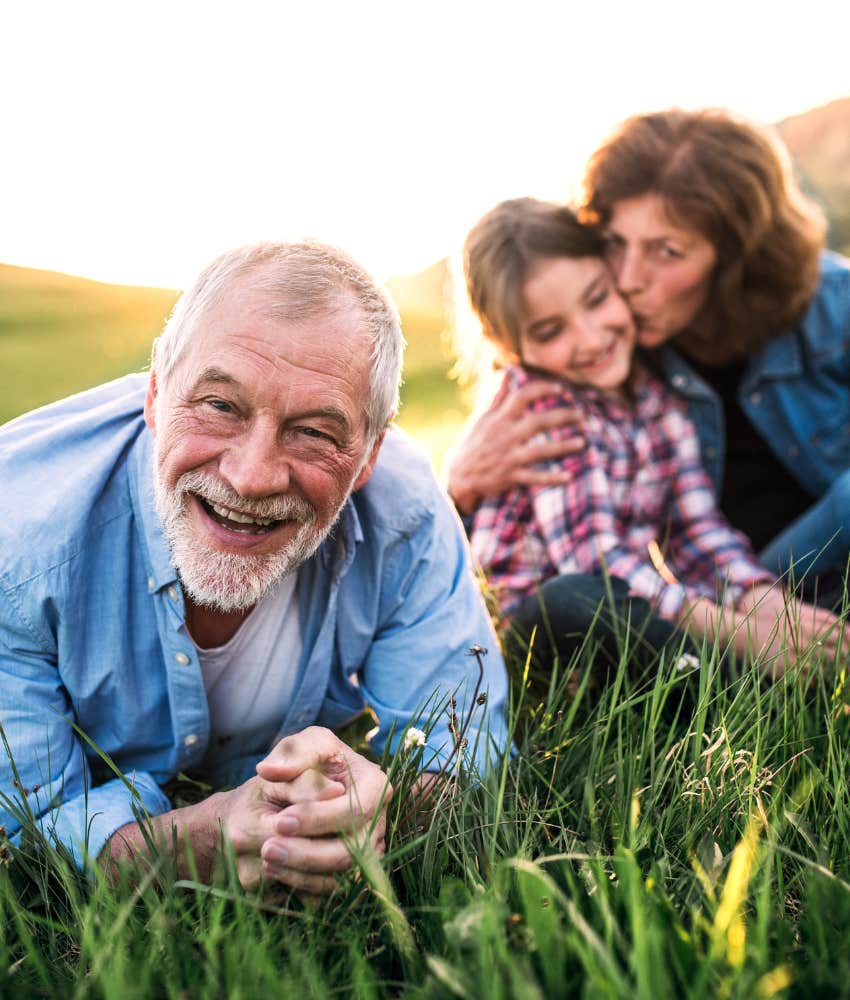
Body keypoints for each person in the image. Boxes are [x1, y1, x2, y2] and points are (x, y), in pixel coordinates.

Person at [0, 240, 509, 891]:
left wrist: (378, 810)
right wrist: (201, 842)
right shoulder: (17, 539)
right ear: (157, 393)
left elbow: (467, 758)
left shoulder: (405, 516)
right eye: (219, 406)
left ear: (370, 454)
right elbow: (24, 843)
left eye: (315, 433)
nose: (251, 476)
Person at [448, 108, 850, 602]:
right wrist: (457, 483)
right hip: (722, 588)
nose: (629, 278)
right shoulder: (605, 354)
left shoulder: (834, 307)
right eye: (615, 243)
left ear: (733, 256)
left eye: (667, 251)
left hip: (768, 575)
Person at [462, 197, 844, 674]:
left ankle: (768, 653)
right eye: (549, 330)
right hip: (550, 629)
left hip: (640, 608)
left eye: (598, 298)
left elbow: (696, 528)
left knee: (796, 595)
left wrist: (759, 598)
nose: (590, 339)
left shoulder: (654, 393)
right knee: (570, 602)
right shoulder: (542, 408)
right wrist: (738, 632)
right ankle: (739, 675)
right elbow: (597, 562)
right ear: (509, 346)